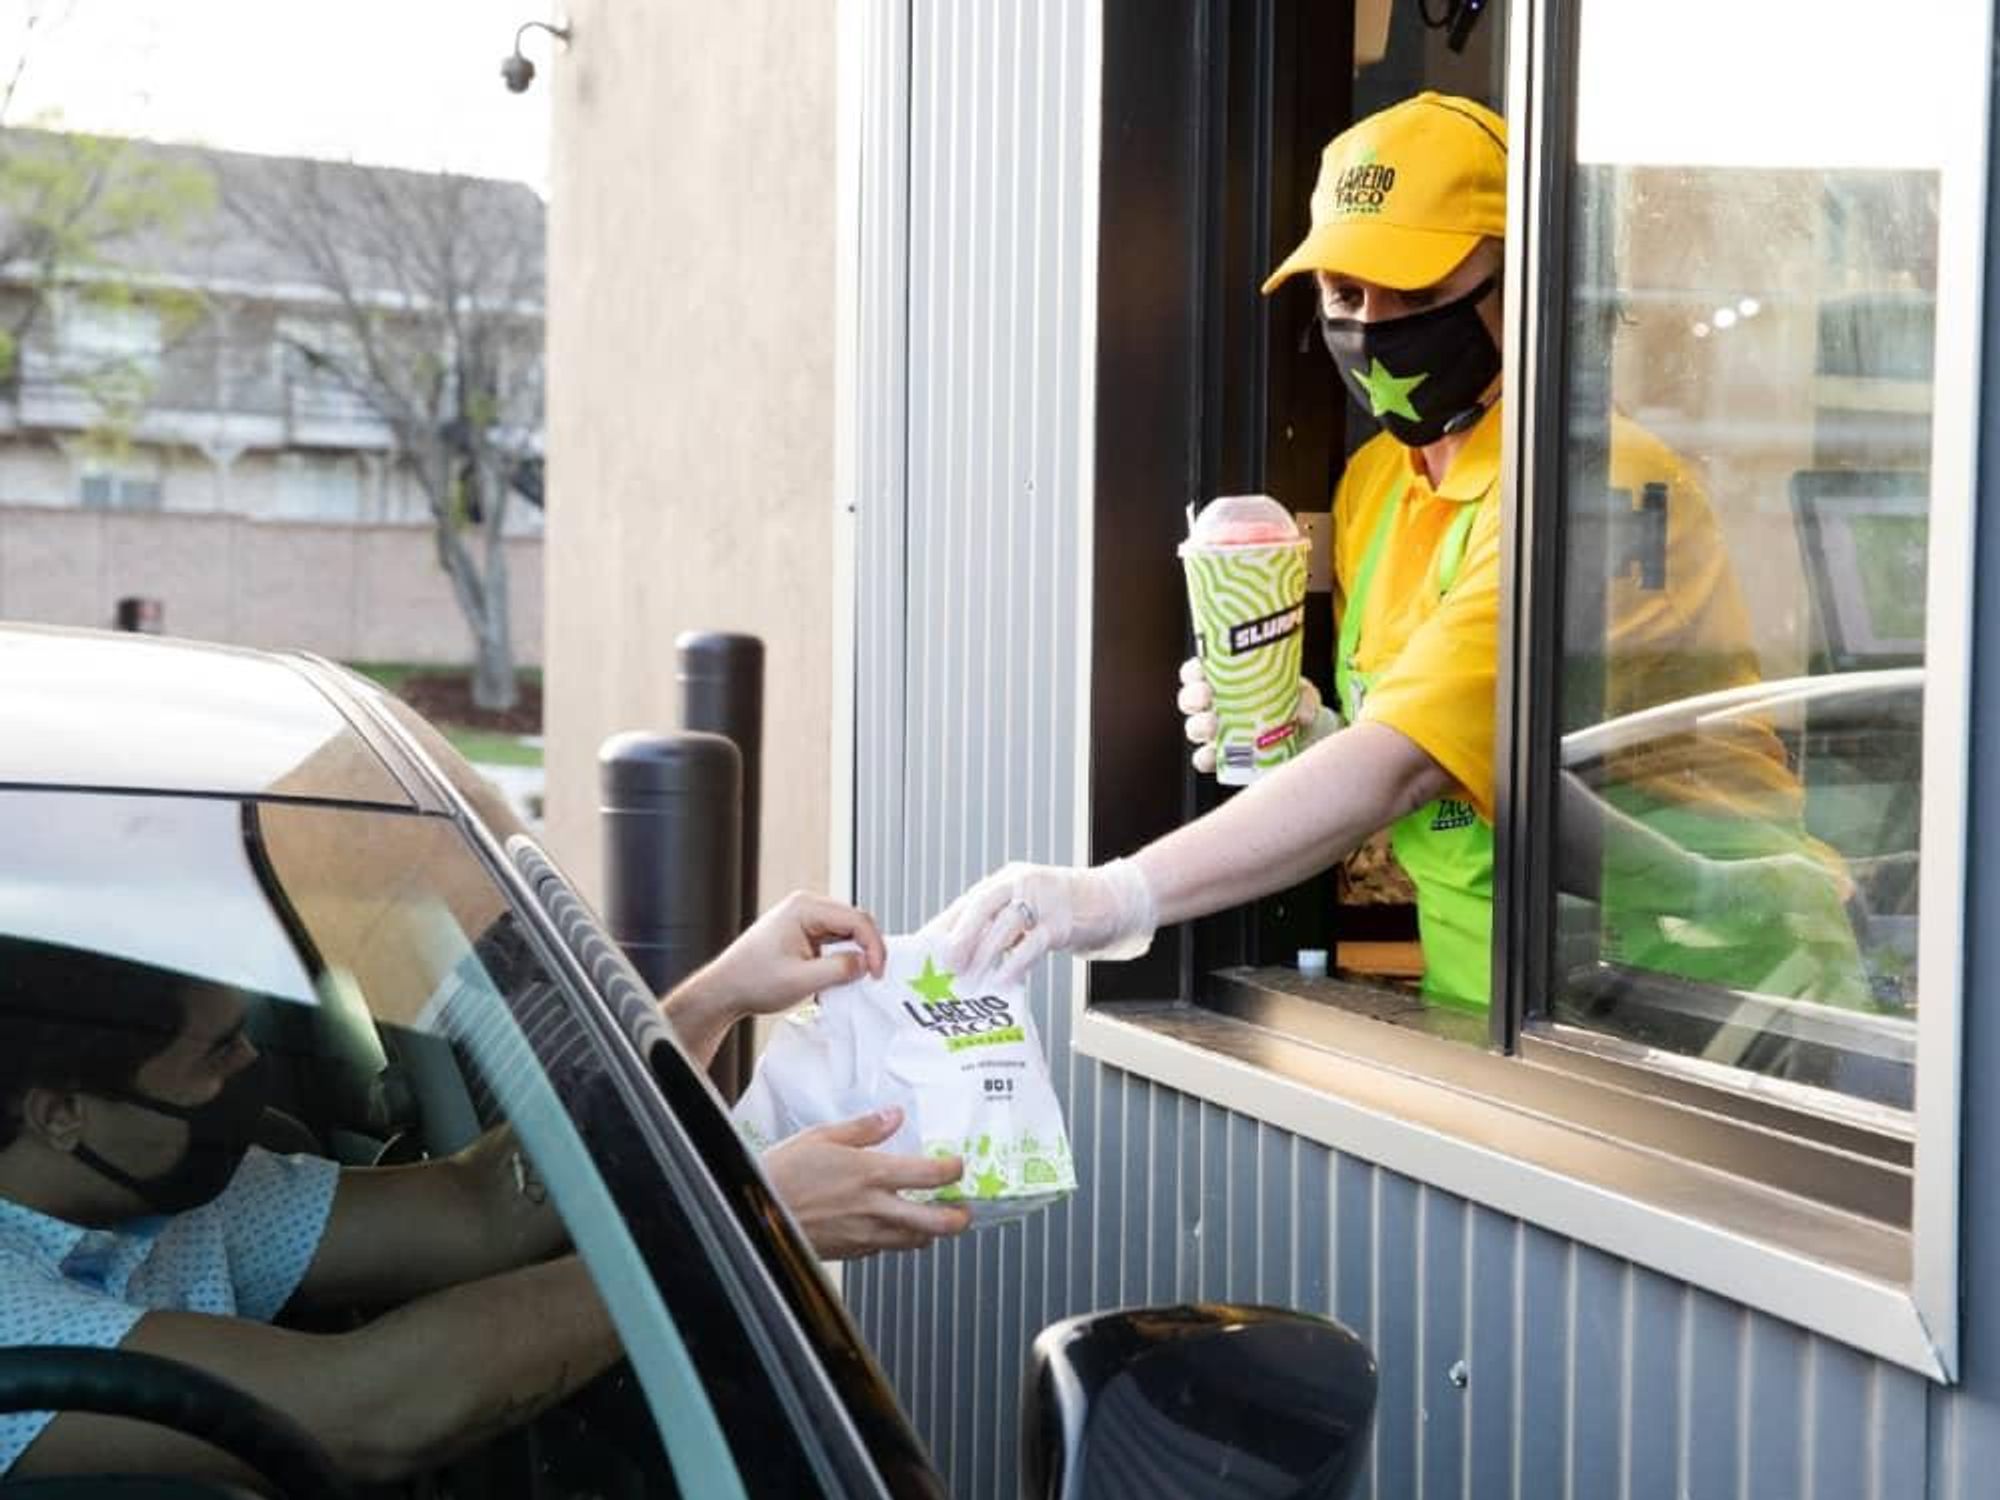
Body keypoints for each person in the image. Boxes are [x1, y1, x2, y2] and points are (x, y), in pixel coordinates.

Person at [942, 91, 1867, 1012]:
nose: (1376, 327)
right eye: (1345, 293)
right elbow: (1463, 763)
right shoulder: (1377, 484)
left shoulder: (1589, 483)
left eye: (1420, 294)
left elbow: (1413, 764)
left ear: (1527, 285)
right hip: (1504, 1013)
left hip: (1716, 996)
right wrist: (1311, 737)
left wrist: (1113, 898)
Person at [0, 891, 968, 1486]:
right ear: (60, 1114)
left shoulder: (175, 1196)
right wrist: (729, 1230)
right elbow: (359, 1412)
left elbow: (479, 1207)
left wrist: (704, 1001)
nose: (253, 1067)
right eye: (216, 1053)